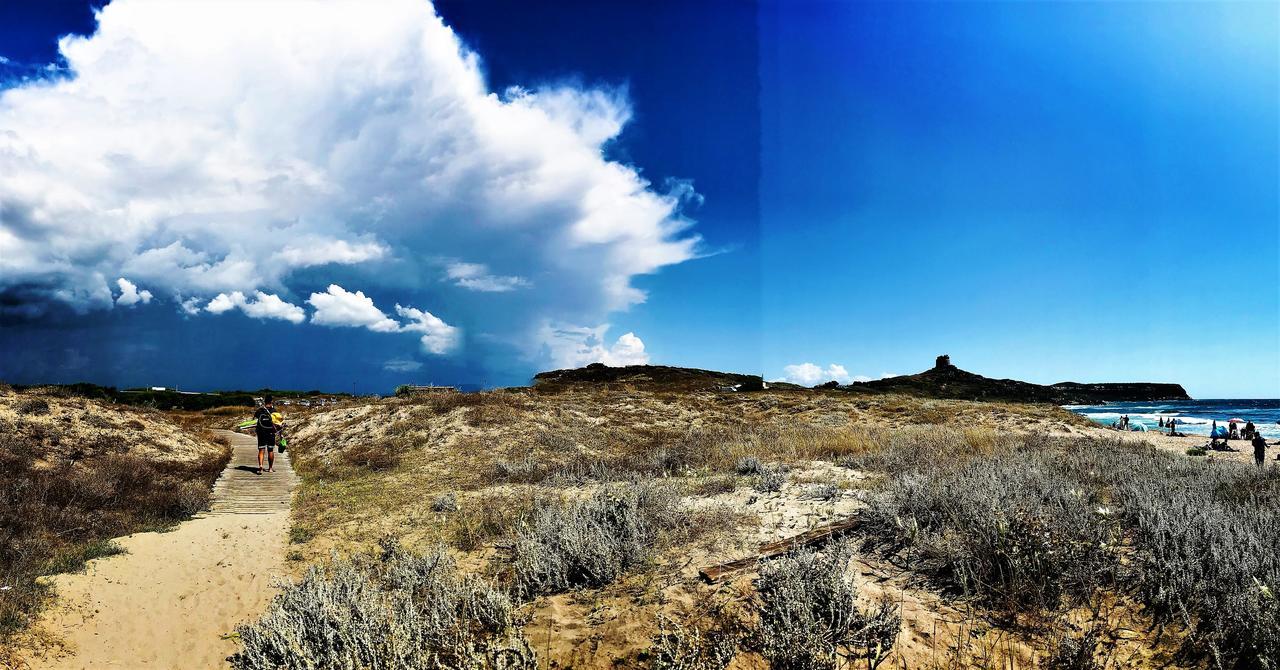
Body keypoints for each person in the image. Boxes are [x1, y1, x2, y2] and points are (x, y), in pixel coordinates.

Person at [254, 395, 279, 474]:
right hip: (270, 432)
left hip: (261, 432)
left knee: (261, 450)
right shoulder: (274, 411)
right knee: (270, 450)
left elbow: (254, 419)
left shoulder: (260, 410)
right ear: (271, 401)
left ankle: (260, 467)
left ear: (265, 401)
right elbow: (277, 422)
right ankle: (270, 468)